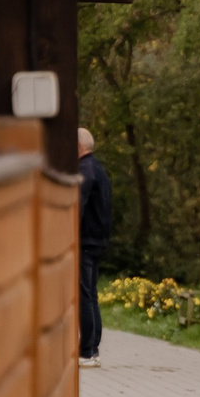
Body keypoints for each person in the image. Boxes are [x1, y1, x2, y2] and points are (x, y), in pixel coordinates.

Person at [75, 127, 112, 367]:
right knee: (92, 296)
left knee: (84, 296)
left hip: (86, 240)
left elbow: (75, 207)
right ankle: (93, 349)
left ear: (78, 147)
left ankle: (87, 351)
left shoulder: (84, 171)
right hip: (99, 240)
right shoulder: (99, 169)